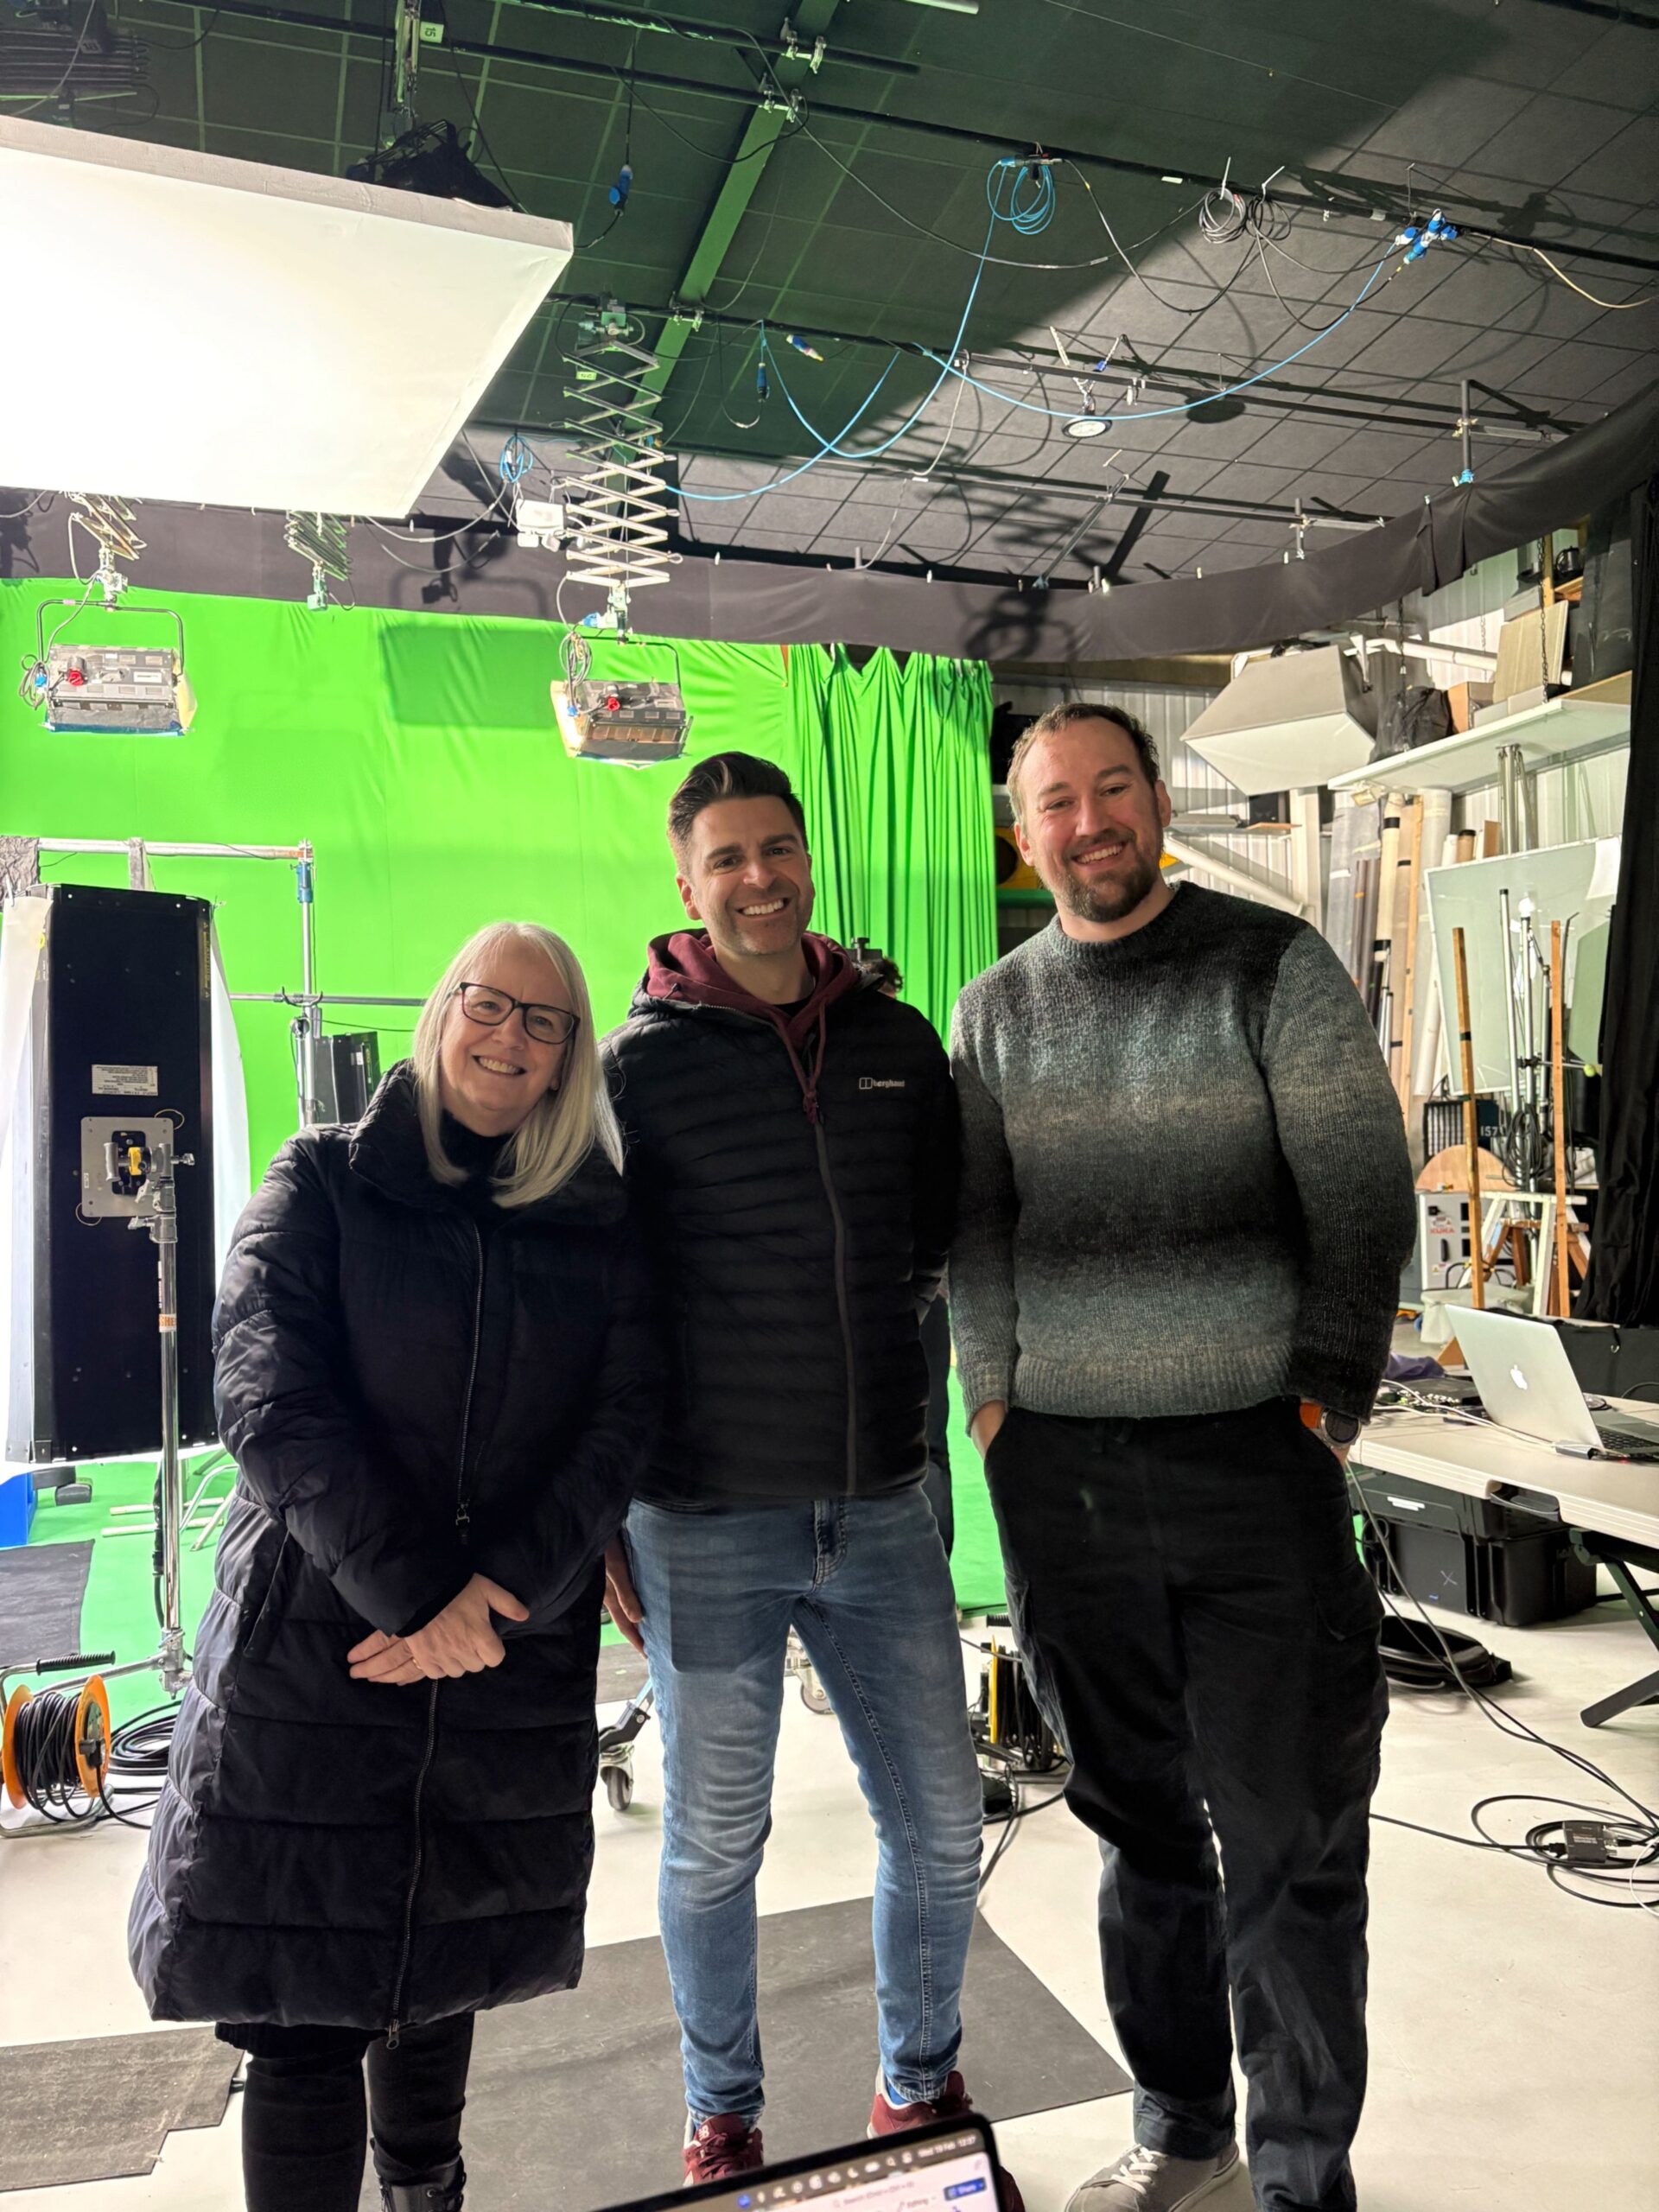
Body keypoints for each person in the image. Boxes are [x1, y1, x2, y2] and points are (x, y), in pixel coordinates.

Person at [950, 703, 1415, 2212]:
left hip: (1253, 1473)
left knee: (1289, 1846)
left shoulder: (1271, 965)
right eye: (1054, 805)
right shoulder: (994, 1012)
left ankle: (1300, 2177)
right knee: (1135, 1824)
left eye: (1110, 790)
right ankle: (1181, 2129)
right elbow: (977, 1235)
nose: (1087, 824)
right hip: (1065, 1485)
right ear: (1023, 838)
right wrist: (996, 1407)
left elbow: (1361, 1190)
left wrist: (1319, 1398)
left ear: (1154, 800)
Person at [130, 922, 656, 2212]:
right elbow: (265, 1393)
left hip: (505, 1649)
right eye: (490, 1003)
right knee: (303, 2008)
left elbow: (624, 1423)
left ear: (568, 1060)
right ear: (442, 1011)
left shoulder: (597, 1220)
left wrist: (495, 1599)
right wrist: (418, 1595)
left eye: (543, 1023)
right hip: (320, 1651)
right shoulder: (322, 1179)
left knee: (443, 1978)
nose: (508, 1038)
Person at [601, 753, 1005, 2194]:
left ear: (808, 859)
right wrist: (606, 1514)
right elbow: (607, 1298)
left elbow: (955, 1238)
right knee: (717, 1841)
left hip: (885, 1505)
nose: (759, 878)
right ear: (687, 885)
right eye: (727, 859)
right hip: (704, 1517)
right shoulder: (637, 1070)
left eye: (779, 849)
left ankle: (919, 2088)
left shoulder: (896, 1042)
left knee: (945, 1828)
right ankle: (725, 2114)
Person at [849, 939, 954, 1557]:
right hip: (857, 1297)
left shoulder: (919, 1065)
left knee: (928, 1437)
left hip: (921, 1292)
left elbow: (945, 1182)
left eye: (886, 998)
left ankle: (931, 1564)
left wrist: (930, 1284)